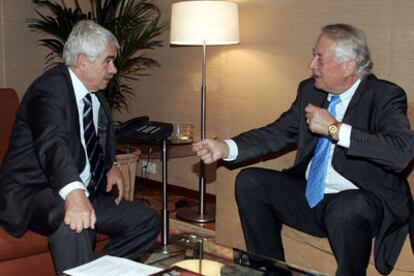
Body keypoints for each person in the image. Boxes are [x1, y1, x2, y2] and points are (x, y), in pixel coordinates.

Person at [193, 24, 414, 275]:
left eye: (320, 58)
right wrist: (225, 147)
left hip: (361, 204)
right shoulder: (310, 90)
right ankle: (271, 270)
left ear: (349, 65)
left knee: (347, 207)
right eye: (313, 55)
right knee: (250, 181)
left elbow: (401, 153)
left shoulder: (384, 95)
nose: (311, 64)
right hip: (314, 199)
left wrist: (335, 129)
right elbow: (277, 132)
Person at [0, 20, 160, 275]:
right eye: (108, 61)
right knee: (75, 222)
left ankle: (91, 272)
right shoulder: (48, 90)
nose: (114, 69)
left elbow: (94, 138)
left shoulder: (94, 92)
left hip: (87, 189)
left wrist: (112, 164)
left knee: (148, 221)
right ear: (83, 60)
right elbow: (52, 143)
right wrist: (74, 194)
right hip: (34, 190)